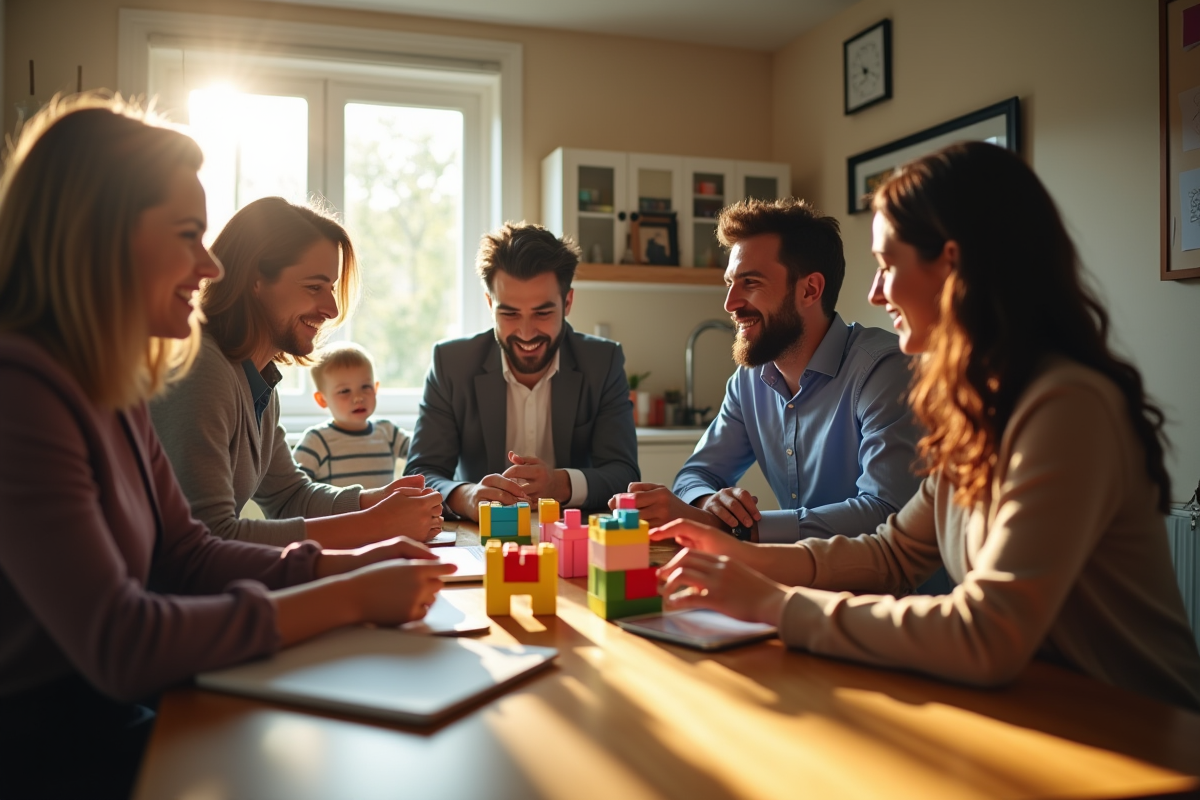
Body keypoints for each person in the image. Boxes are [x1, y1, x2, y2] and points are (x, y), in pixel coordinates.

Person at [0, 95, 455, 799]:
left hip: (118, 716)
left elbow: (187, 554)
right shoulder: (21, 390)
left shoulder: (110, 383)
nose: (209, 266)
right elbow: (123, 644)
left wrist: (351, 562)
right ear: (100, 235)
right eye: (188, 235)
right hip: (53, 749)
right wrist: (348, 594)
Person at [652, 142, 1200, 711]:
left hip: (1142, 733)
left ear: (953, 264)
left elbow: (989, 633)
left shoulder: (1067, 406)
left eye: (888, 265)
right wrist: (733, 554)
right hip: (1040, 714)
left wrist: (773, 604)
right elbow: (891, 554)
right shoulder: (977, 409)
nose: (874, 291)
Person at [617, 198, 921, 546]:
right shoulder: (749, 381)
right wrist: (707, 503)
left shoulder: (885, 371)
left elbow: (885, 512)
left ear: (809, 290)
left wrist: (739, 530)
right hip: (801, 583)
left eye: (750, 283)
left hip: (892, 596)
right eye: (730, 282)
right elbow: (696, 474)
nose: (730, 303)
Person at [151, 197, 443, 547]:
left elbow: (288, 496)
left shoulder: (258, 378)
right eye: (313, 287)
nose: (331, 309)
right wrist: (375, 525)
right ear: (255, 280)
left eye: (331, 288)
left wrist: (374, 501)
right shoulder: (202, 368)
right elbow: (208, 537)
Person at [405, 222, 639, 521]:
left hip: (573, 535)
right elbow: (420, 473)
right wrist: (467, 497)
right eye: (509, 313)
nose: (527, 333)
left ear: (567, 302)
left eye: (542, 313)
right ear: (490, 304)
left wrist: (560, 484)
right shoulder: (450, 363)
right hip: (481, 539)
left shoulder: (603, 362)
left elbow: (624, 475)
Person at [293, 341, 411, 489]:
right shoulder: (316, 441)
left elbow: (424, 452)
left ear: (375, 388)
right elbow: (296, 489)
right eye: (344, 391)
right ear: (322, 399)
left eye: (365, 387)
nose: (358, 398)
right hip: (342, 513)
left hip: (386, 513)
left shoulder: (388, 432)